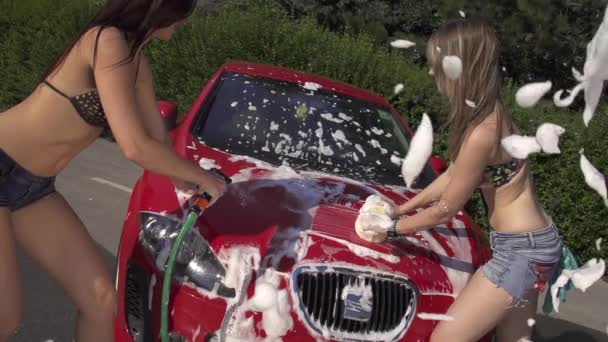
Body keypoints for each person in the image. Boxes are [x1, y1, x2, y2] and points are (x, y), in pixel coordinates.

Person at [0, 1, 227, 341]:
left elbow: (158, 144)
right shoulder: (106, 41)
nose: (187, 19)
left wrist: (201, 180)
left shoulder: (138, 64)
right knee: (4, 318)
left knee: (101, 300)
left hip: (34, 189)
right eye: (185, 8)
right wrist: (203, 179)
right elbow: (134, 145)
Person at [365, 18, 563, 342]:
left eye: (439, 68)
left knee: (445, 340)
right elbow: (452, 178)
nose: (434, 75)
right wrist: (401, 209)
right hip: (534, 243)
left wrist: (390, 231)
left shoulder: (482, 133)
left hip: (521, 251)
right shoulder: (491, 114)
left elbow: (446, 209)